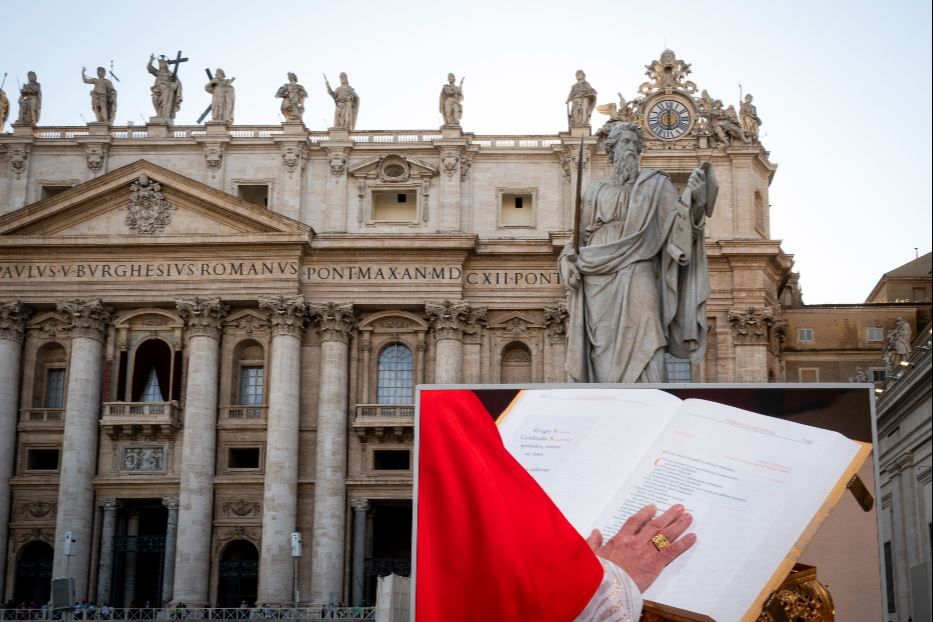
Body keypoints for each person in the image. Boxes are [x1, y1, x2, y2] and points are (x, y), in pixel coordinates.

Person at [560, 122, 717, 382]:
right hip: (598, 276)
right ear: (611, 150)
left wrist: (695, 201)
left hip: (641, 266)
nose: (631, 148)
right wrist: (567, 261)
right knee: (602, 345)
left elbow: (679, 226)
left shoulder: (657, 185)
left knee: (649, 330)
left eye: (635, 143)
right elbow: (577, 238)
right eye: (625, 142)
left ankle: (650, 397)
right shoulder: (594, 191)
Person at [147, 54, 182, 120]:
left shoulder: (170, 73)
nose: (161, 64)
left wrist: (174, 86)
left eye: (162, 63)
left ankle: (165, 116)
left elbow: (178, 82)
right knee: (154, 98)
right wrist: (151, 60)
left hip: (167, 89)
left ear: (166, 64)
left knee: (165, 102)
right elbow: (149, 68)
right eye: (160, 63)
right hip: (157, 89)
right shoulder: (158, 72)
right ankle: (159, 114)